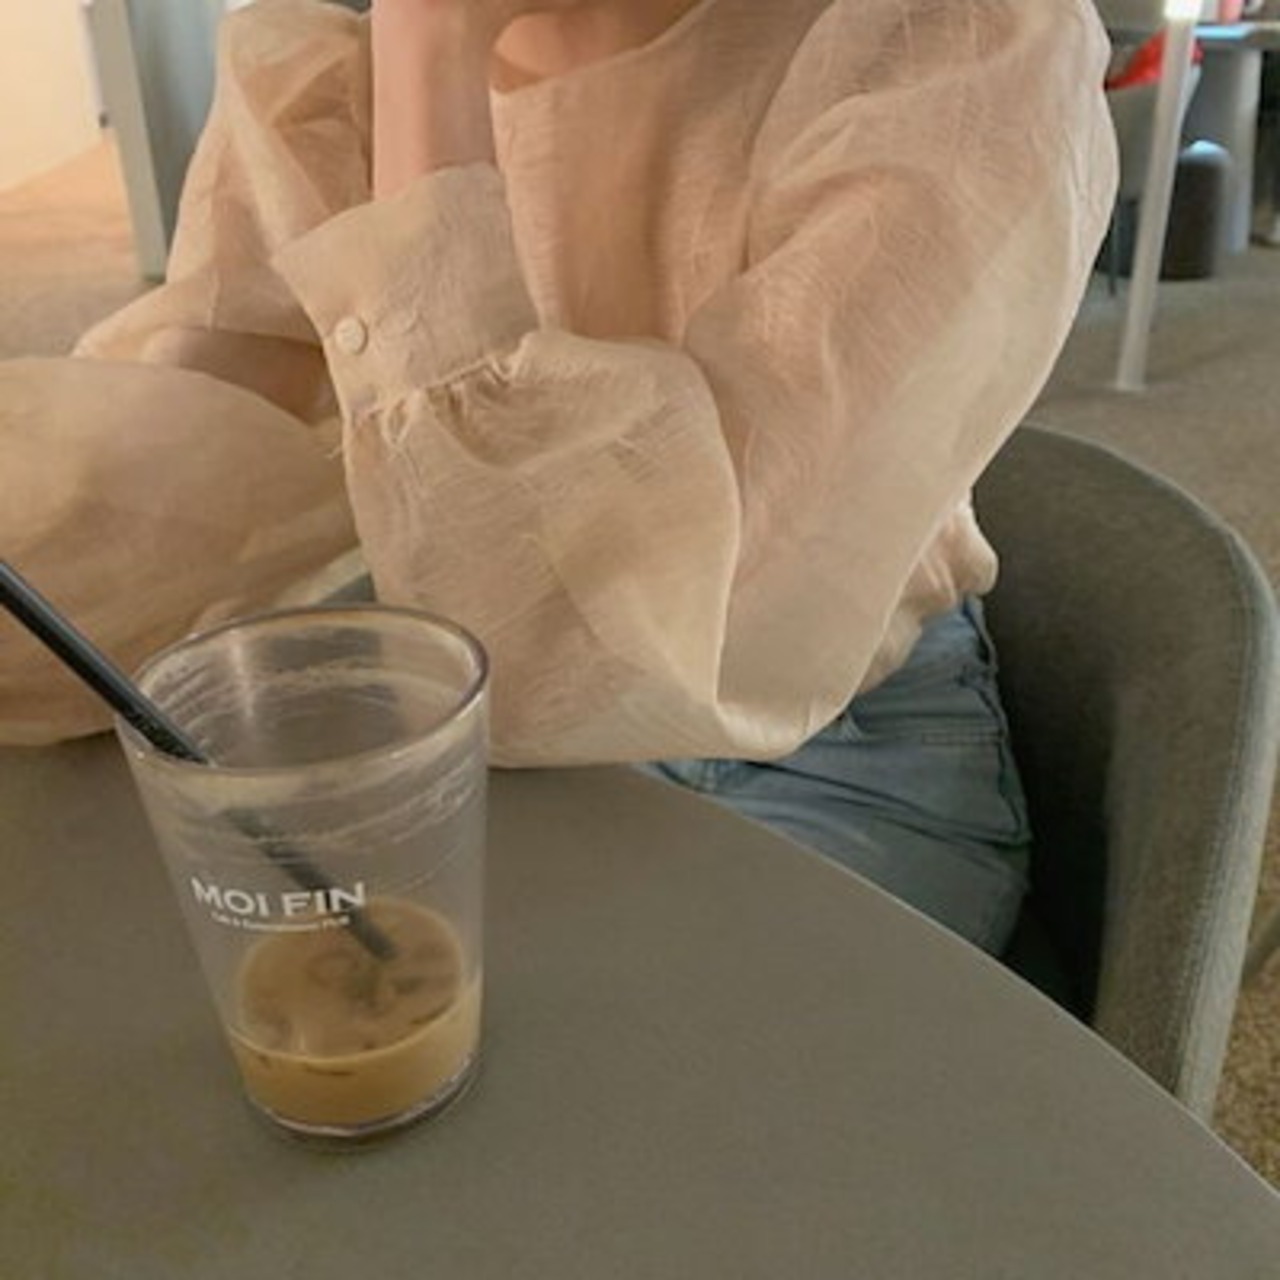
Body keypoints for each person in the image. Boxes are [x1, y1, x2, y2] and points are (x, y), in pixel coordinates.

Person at [0, 0, 1116, 954]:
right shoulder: (330, 67)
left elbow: (617, 648)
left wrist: (433, 56)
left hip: (812, 739)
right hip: (444, 685)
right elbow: (180, 477)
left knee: (591, 1110)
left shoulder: (952, 46)